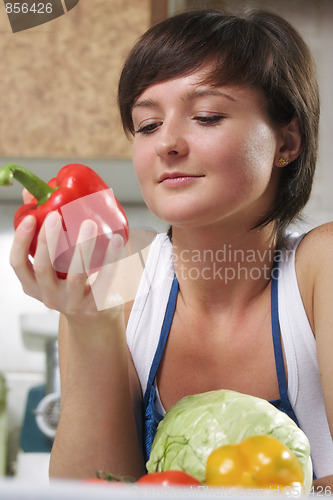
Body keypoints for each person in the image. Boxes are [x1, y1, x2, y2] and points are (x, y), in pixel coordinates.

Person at [10, 8, 333, 487]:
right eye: (147, 125)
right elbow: (93, 491)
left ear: (287, 140)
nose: (167, 144)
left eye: (205, 116)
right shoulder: (118, 275)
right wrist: (87, 321)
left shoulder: (320, 267)